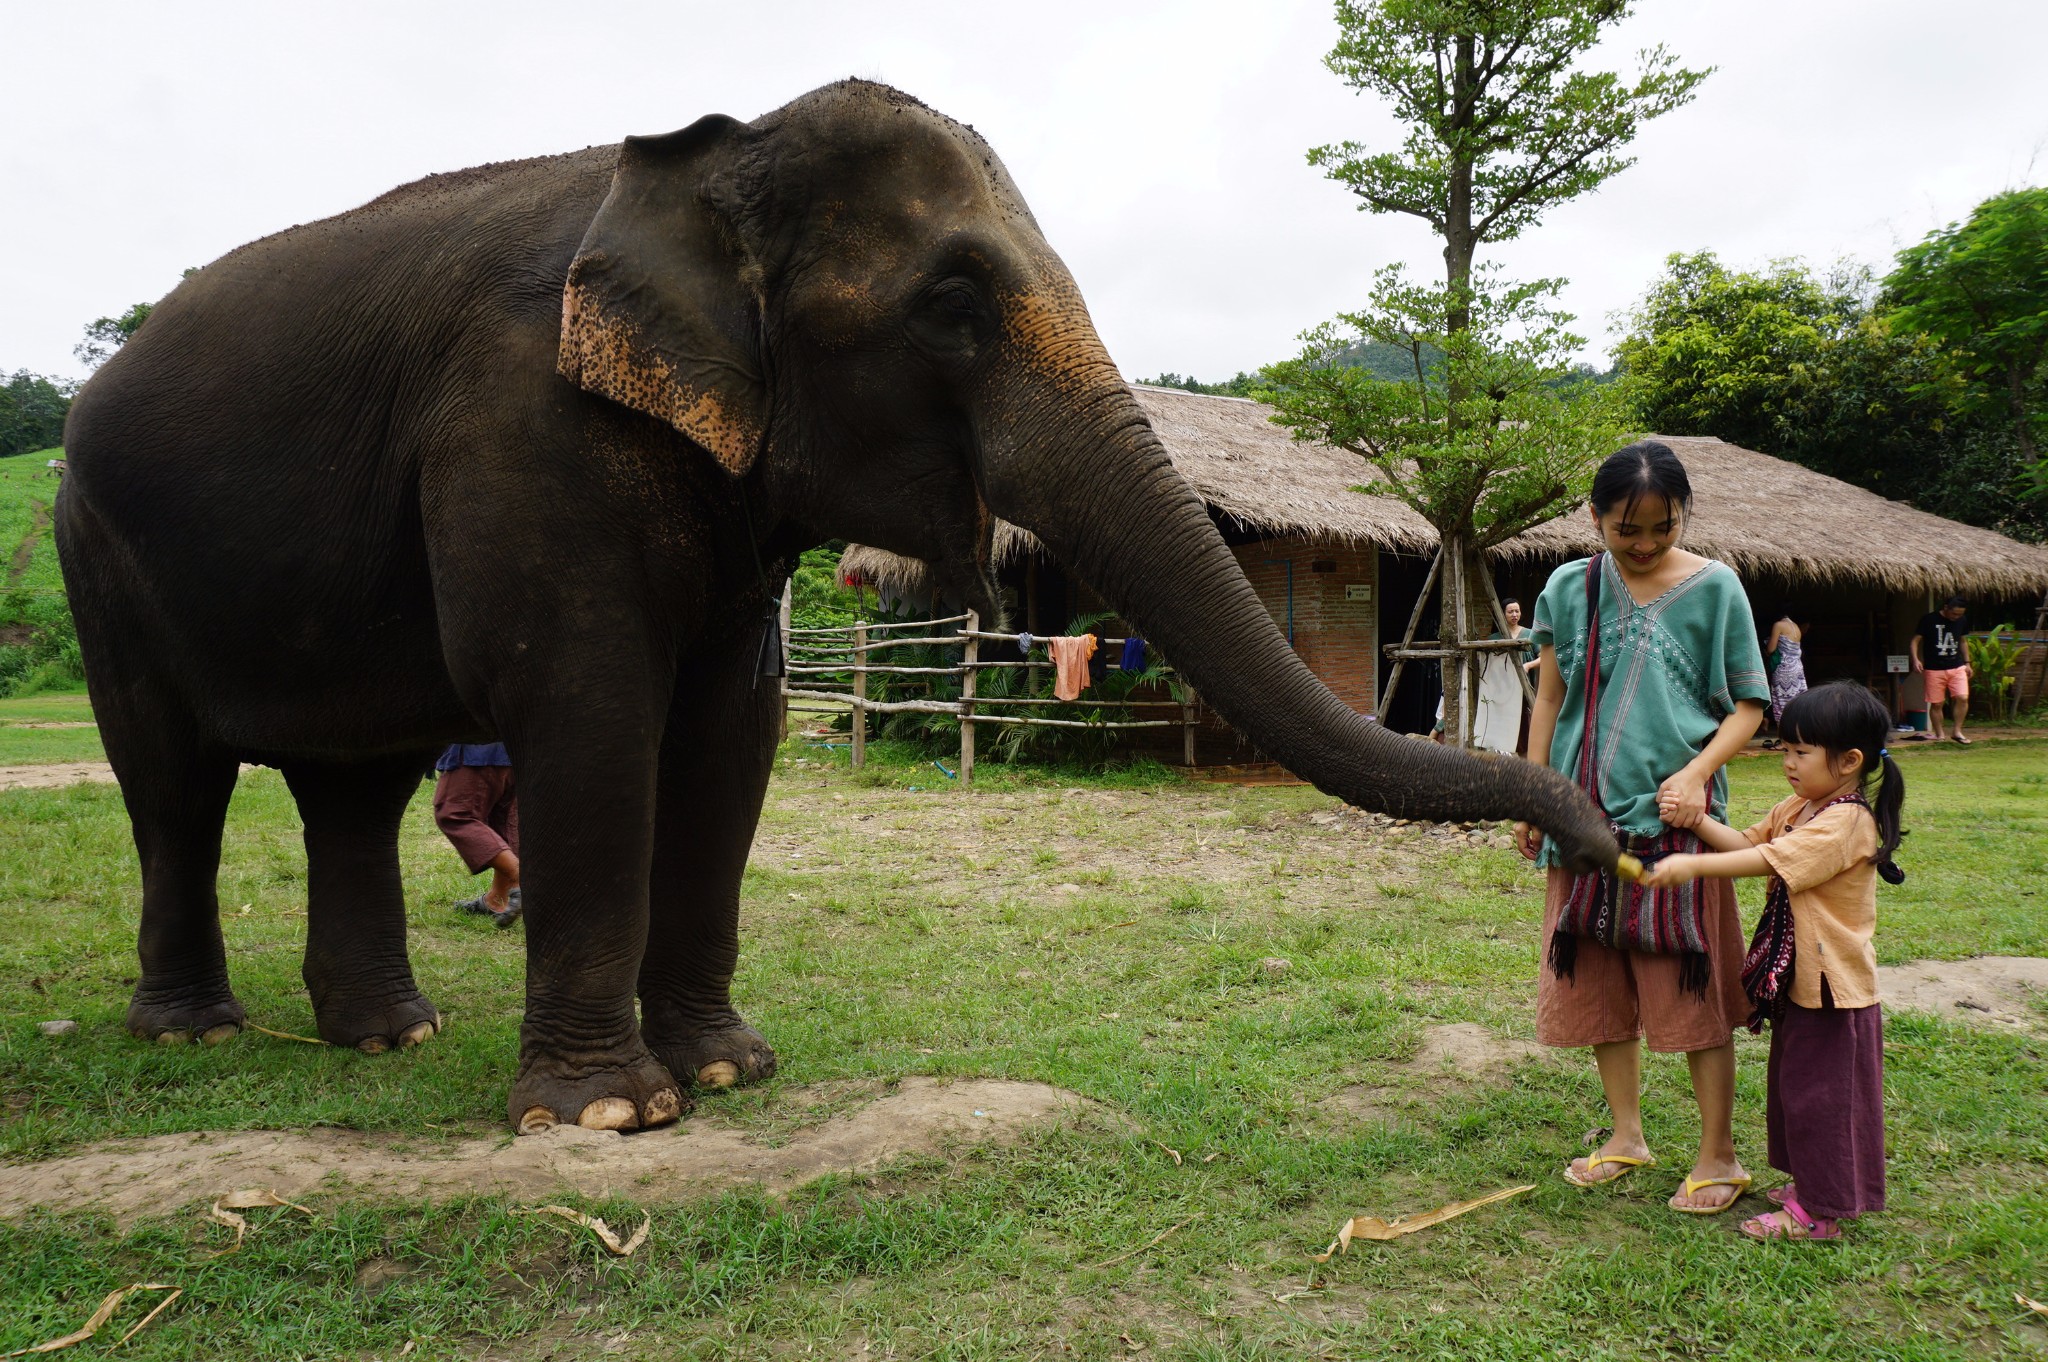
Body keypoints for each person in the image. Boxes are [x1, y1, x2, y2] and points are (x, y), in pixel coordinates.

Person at [1515, 440, 1769, 1214]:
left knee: (1690, 988)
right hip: (1583, 819)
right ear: (1595, 517)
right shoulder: (1568, 586)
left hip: (1679, 828)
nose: (1645, 543)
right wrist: (1536, 793)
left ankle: (1718, 1156)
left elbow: (1749, 709)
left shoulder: (1717, 588)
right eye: (1627, 529)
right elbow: (1551, 700)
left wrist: (1695, 775)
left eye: (1661, 527)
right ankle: (1625, 1135)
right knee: (1596, 982)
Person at [1640, 682, 1902, 1241]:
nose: (1786, 762)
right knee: (1794, 1090)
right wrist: (1693, 822)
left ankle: (1819, 1213)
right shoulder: (1800, 806)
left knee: (1820, 1099)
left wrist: (1691, 869)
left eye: (1800, 752)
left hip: (1834, 989)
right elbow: (1742, 840)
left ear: (1850, 761)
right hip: (1800, 981)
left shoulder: (1848, 821)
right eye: (1784, 749)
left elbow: (1766, 861)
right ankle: (1812, 1187)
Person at [433, 742, 522, 927]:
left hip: (477, 751)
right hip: (513, 752)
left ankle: (519, 876)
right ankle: (497, 899)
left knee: (453, 813)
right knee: (502, 823)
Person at [1472, 596, 1533, 755]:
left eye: (1517, 611)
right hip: (1500, 691)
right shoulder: (1494, 639)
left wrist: (1528, 665)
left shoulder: (1530, 635)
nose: (1514, 614)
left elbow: (1545, 657)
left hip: (1524, 689)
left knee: (1523, 725)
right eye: (1510, 611)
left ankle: (1522, 759)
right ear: (1503, 614)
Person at [1911, 595, 1973, 744]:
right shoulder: (1929, 619)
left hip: (1957, 666)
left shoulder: (1962, 621)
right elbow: (1915, 641)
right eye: (1954, 614)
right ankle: (1940, 735)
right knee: (1937, 703)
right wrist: (1915, 659)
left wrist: (1968, 663)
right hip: (1934, 668)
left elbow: (1963, 641)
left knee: (1963, 697)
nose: (1956, 617)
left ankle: (1957, 731)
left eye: (1960, 614)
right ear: (1946, 608)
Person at [1762, 605, 1808, 748]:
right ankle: (1797, 738)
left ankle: (1784, 741)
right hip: (1797, 669)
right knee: (1796, 704)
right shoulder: (1796, 627)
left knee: (1781, 705)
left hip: (1784, 670)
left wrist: (1767, 644)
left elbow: (1771, 648)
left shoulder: (1778, 625)